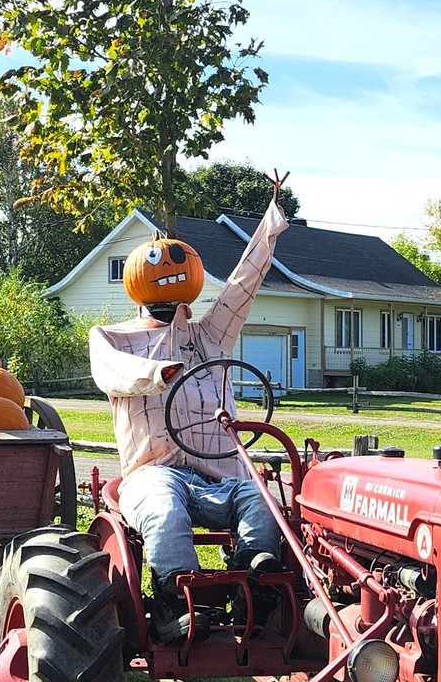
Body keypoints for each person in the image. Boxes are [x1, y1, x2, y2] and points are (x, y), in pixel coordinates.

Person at [89, 178, 289, 645]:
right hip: (153, 472)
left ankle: (254, 586)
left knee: (262, 502)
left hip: (219, 473)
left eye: (182, 262)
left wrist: (269, 227)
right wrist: (159, 372)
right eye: (160, 263)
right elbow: (113, 372)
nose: (172, 268)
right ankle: (177, 602)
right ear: (136, 282)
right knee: (164, 510)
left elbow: (240, 289)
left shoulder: (208, 337)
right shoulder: (112, 337)